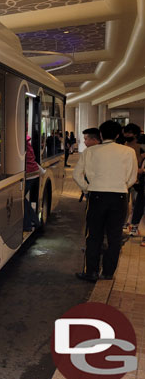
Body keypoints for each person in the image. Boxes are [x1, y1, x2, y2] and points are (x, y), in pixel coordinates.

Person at [73, 120, 137, 282]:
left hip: (97, 196)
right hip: (119, 197)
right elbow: (132, 178)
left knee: (94, 235)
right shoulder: (128, 152)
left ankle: (91, 272)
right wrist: (122, 186)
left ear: (101, 134)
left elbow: (76, 175)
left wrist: (87, 188)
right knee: (114, 236)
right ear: (118, 135)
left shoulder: (90, 152)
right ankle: (108, 273)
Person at [78, 128, 101, 203]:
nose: (84, 142)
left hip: (92, 189)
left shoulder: (87, 152)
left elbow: (76, 174)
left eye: (86, 139)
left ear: (94, 139)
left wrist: (86, 188)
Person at [24, 135, 42, 231]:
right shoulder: (27, 142)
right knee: (22, 199)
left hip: (30, 174)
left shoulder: (22, 143)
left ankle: (29, 224)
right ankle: (34, 221)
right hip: (33, 173)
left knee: (20, 199)